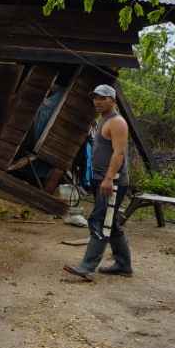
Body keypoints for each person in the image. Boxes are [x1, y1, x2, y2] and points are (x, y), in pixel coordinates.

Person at [63, 84, 132, 281]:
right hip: (102, 180)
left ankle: (87, 266)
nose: (97, 101)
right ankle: (123, 265)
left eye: (102, 98)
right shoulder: (103, 120)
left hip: (113, 181)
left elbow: (119, 154)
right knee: (112, 224)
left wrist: (109, 178)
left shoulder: (118, 122)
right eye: (95, 98)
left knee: (99, 221)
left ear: (113, 100)